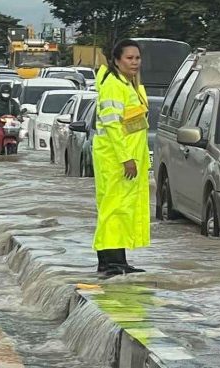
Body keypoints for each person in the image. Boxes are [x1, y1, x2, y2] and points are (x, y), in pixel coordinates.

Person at [93, 39, 150, 277]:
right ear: (117, 60)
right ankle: (110, 262)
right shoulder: (114, 86)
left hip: (126, 158)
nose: (135, 62)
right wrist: (126, 158)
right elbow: (113, 126)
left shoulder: (128, 85)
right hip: (115, 159)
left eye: (137, 58)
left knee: (121, 209)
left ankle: (117, 260)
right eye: (129, 58)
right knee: (114, 210)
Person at [0, 84, 21, 155]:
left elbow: (18, 112)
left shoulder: (13, 103)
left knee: (20, 131)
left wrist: (19, 116)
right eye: (4, 93)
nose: (5, 95)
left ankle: (16, 145)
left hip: (11, 123)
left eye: (7, 94)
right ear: (0, 93)